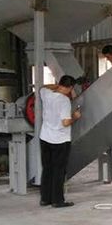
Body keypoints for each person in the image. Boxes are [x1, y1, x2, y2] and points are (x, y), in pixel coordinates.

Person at [39, 75, 81, 208]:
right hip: (60, 140)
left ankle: (45, 199)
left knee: (47, 169)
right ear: (71, 88)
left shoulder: (46, 94)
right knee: (59, 171)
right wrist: (75, 117)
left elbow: (42, 87)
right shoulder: (64, 101)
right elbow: (65, 122)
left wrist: (58, 87)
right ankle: (57, 200)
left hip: (45, 137)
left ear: (59, 83)